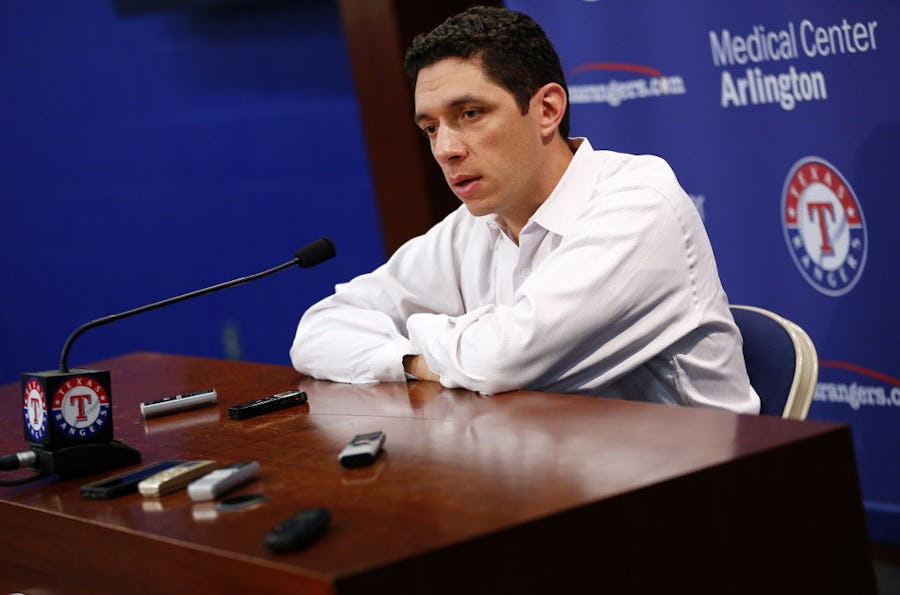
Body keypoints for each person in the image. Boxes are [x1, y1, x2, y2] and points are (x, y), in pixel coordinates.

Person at [290, 6, 760, 414]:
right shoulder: (473, 226)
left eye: (469, 114)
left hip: (702, 478)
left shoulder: (637, 203)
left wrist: (422, 332)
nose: (446, 149)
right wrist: (412, 360)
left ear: (547, 110)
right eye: (431, 127)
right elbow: (318, 330)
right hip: (562, 467)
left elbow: (498, 361)